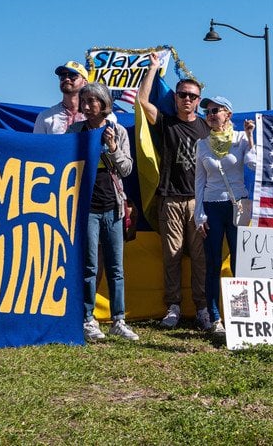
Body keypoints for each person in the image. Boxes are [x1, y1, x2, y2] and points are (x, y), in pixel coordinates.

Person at [136, 54, 211, 329]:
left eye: (192, 96)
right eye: (182, 94)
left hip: (198, 202)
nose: (187, 99)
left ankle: (202, 308)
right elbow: (142, 102)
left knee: (200, 257)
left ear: (199, 100)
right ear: (176, 97)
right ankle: (174, 307)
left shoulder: (206, 127)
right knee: (172, 255)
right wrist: (153, 69)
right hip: (169, 198)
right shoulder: (166, 122)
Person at [66, 84, 139, 341]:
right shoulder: (76, 130)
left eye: (91, 101)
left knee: (116, 267)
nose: (86, 106)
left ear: (104, 103)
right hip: (86, 207)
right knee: (89, 266)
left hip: (113, 205)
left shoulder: (117, 131)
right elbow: (67, 164)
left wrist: (112, 147)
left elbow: (127, 169)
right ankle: (88, 318)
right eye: (83, 101)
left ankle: (118, 319)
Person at [193, 96, 256, 337]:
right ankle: (214, 317)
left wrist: (250, 138)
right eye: (207, 111)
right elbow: (199, 180)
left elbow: (253, 164)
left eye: (215, 110)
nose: (210, 114)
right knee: (212, 264)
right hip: (211, 206)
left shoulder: (241, 138)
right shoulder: (202, 144)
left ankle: (240, 316)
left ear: (228, 114)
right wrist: (199, 213)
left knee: (240, 263)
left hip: (237, 206)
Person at [34, 61, 89, 133]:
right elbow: (38, 143)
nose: (67, 79)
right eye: (63, 76)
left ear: (85, 82)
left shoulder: (95, 114)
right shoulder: (46, 116)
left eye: (72, 76)